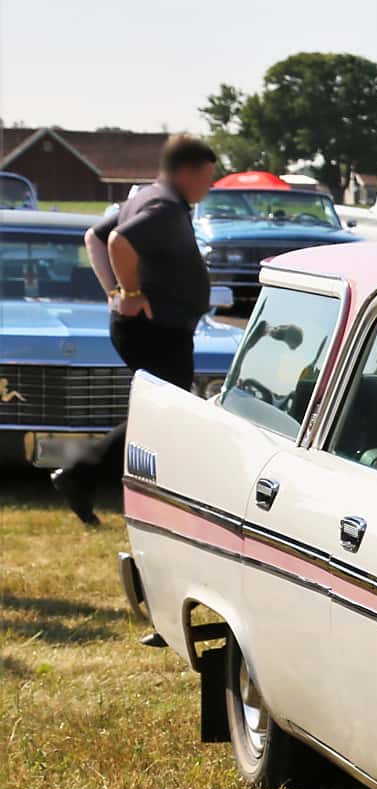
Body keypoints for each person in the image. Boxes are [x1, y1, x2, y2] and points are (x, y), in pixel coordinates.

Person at [51, 133, 217, 525]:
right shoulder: (162, 206)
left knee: (163, 411)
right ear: (185, 172)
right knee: (164, 412)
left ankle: (101, 480)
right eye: (206, 179)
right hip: (155, 329)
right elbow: (118, 242)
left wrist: (114, 291)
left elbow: (94, 236)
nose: (208, 188)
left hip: (153, 328)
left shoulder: (151, 197)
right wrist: (128, 291)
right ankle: (80, 475)